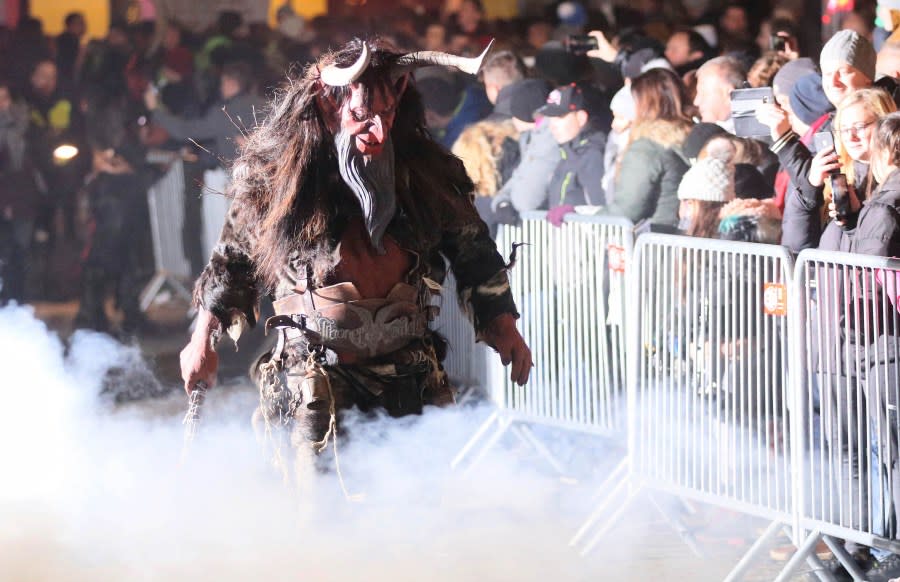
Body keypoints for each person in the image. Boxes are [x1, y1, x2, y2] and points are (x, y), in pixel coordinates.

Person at [179, 39, 532, 475]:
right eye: (362, 117)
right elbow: (231, 263)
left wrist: (503, 325)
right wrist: (201, 341)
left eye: (386, 115)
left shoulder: (427, 175)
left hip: (408, 372)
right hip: (315, 375)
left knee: (413, 505)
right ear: (329, 105)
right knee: (322, 512)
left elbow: (474, 251)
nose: (379, 132)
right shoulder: (277, 179)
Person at [783, 87, 896, 252]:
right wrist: (810, 190)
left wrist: (855, 219)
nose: (851, 137)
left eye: (860, 126)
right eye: (843, 129)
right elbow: (795, 248)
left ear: (885, 124)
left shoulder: (892, 184)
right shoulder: (836, 176)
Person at [604, 68, 692, 229]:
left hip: (655, 245)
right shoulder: (690, 138)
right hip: (681, 239)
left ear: (643, 104)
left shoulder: (647, 149)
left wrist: (580, 220)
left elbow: (627, 209)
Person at [537, 82, 608, 222]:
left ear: (581, 118)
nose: (552, 126)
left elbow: (602, 211)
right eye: (550, 119)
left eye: (559, 117)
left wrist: (574, 213)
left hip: (587, 241)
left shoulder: (592, 155)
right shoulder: (565, 153)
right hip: (565, 240)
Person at [693, 56, 747, 132]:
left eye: (703, 94)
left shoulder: (755, 136)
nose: (696, 102)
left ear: (729, 95)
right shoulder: (701, 133)